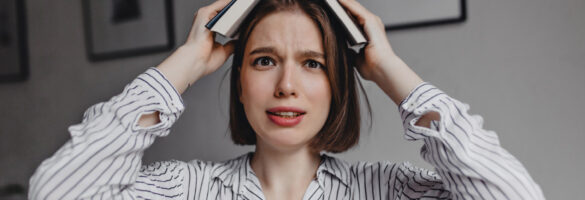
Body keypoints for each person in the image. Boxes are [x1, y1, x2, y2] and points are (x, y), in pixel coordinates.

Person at [29, 0, 545, 199]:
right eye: (264, 60)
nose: (287, 86)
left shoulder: (387, 192)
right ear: (238, 80)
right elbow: (56, 193)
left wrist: (388, 69)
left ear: (338, 82)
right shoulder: (185, 190)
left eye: (313, 63)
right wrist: (186, 63)